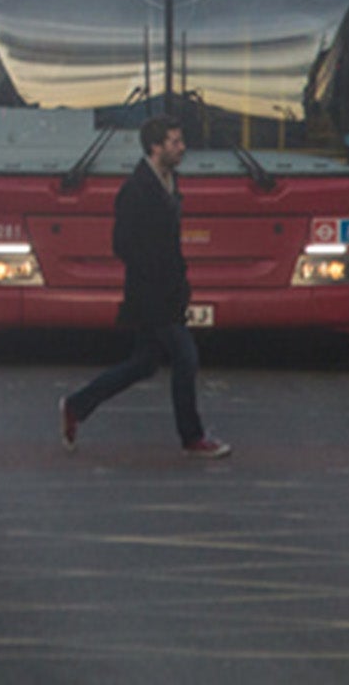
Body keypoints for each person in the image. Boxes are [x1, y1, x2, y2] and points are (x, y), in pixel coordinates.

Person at [59, 117, 231, 459]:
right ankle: (192, 437)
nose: (182, 148)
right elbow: (122, 244)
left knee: (143, 364)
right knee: (186, 358)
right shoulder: (136, 190)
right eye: (175, 142)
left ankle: (76, 407)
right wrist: (156, 279)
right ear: (155, 147)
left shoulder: (169, 181)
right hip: (152, 295)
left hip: (168, 291)